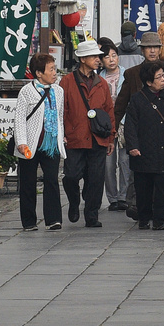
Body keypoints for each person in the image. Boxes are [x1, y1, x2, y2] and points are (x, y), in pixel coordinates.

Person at [115, 32, 164, 218]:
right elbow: (121, 103)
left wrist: (161, 93)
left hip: (163, 129)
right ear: (142, 50)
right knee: (139, 170)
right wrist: (114, 128)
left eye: (155, 47)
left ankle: (158, 208)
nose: (152, 51)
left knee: (162, 174)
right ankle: (137, 206)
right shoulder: (132, 73)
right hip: (140, 130)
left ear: (160, 49)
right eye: (148, 47)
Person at [60, 39, 114, 227]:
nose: (98, 60)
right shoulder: (66, 82)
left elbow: (109, 112)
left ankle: (92, 215)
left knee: (96, 179)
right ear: (82, 59)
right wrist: (63, 133)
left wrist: (111, 137)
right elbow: (61, 110)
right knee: (71, 176)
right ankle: (74, 201)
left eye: (98, 56)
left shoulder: (102, 83)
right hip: (74, 137)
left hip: (98, 137)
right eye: (94, 56)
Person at [12, 53, 65, 232]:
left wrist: (61, 137)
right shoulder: (26, 91)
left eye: (54, 68)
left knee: (52, 180)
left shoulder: (59, 90)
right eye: (50, 69)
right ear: (39, 73)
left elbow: (60, 117)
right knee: (28, 182)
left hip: (51, 143)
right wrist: (21, 141)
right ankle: (29, 221)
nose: (54, 73)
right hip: (30, 143)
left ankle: (54, 219)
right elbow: (19, 118)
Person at [99, 43, 132, 213]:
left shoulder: (127, 74)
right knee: (108, 163)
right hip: (106, 125)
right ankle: (112, 197)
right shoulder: (99, 78)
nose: (111, 60)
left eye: (114, 55)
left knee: (125, 161)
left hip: (124, 122)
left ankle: (123, 196)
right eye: (107, 56)